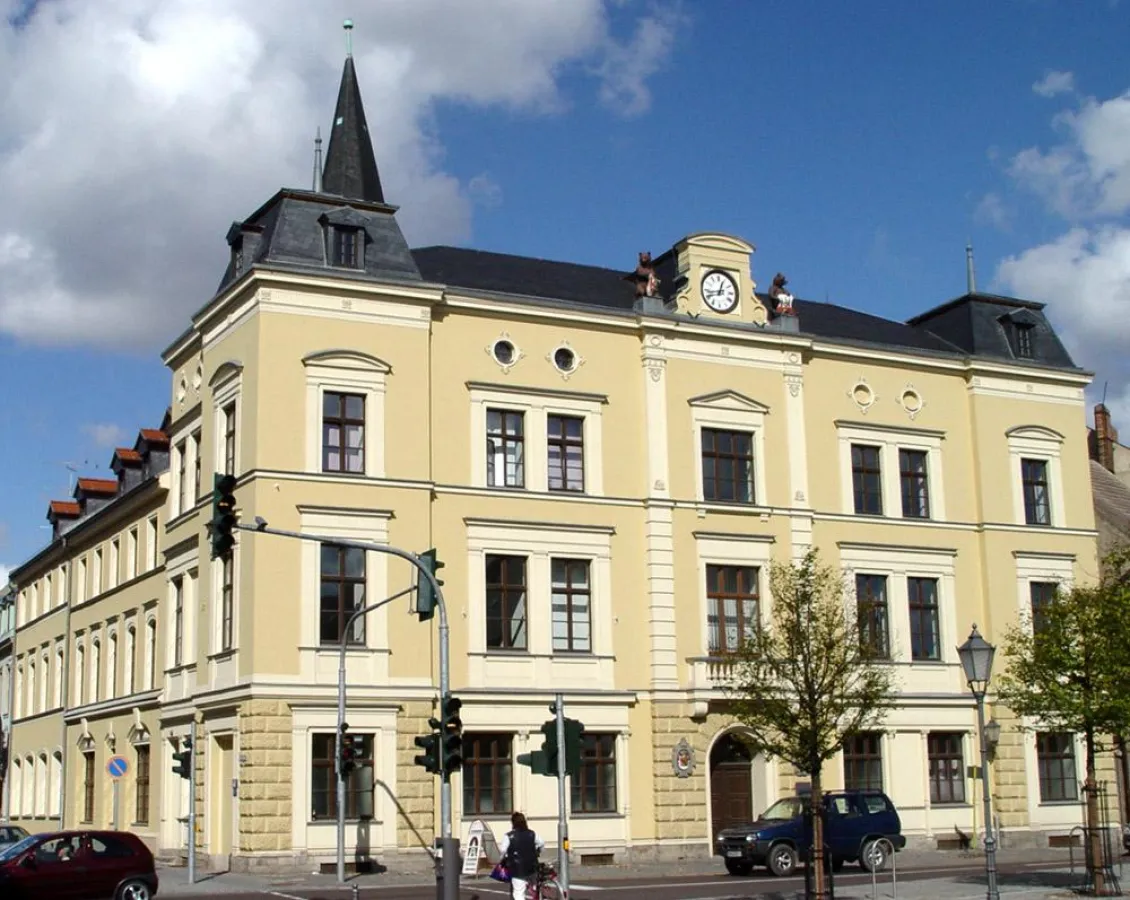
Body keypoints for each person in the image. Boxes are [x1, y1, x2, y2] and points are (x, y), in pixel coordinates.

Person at [498, 811, 544, 900]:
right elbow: (541, 843)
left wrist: (501, 859)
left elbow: (503, 850)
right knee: (535, 890)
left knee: (519, 893)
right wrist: (538, 852)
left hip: (517, 869)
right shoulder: (532, 833)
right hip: (532, 866)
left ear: (513, 823)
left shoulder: (509, 836)